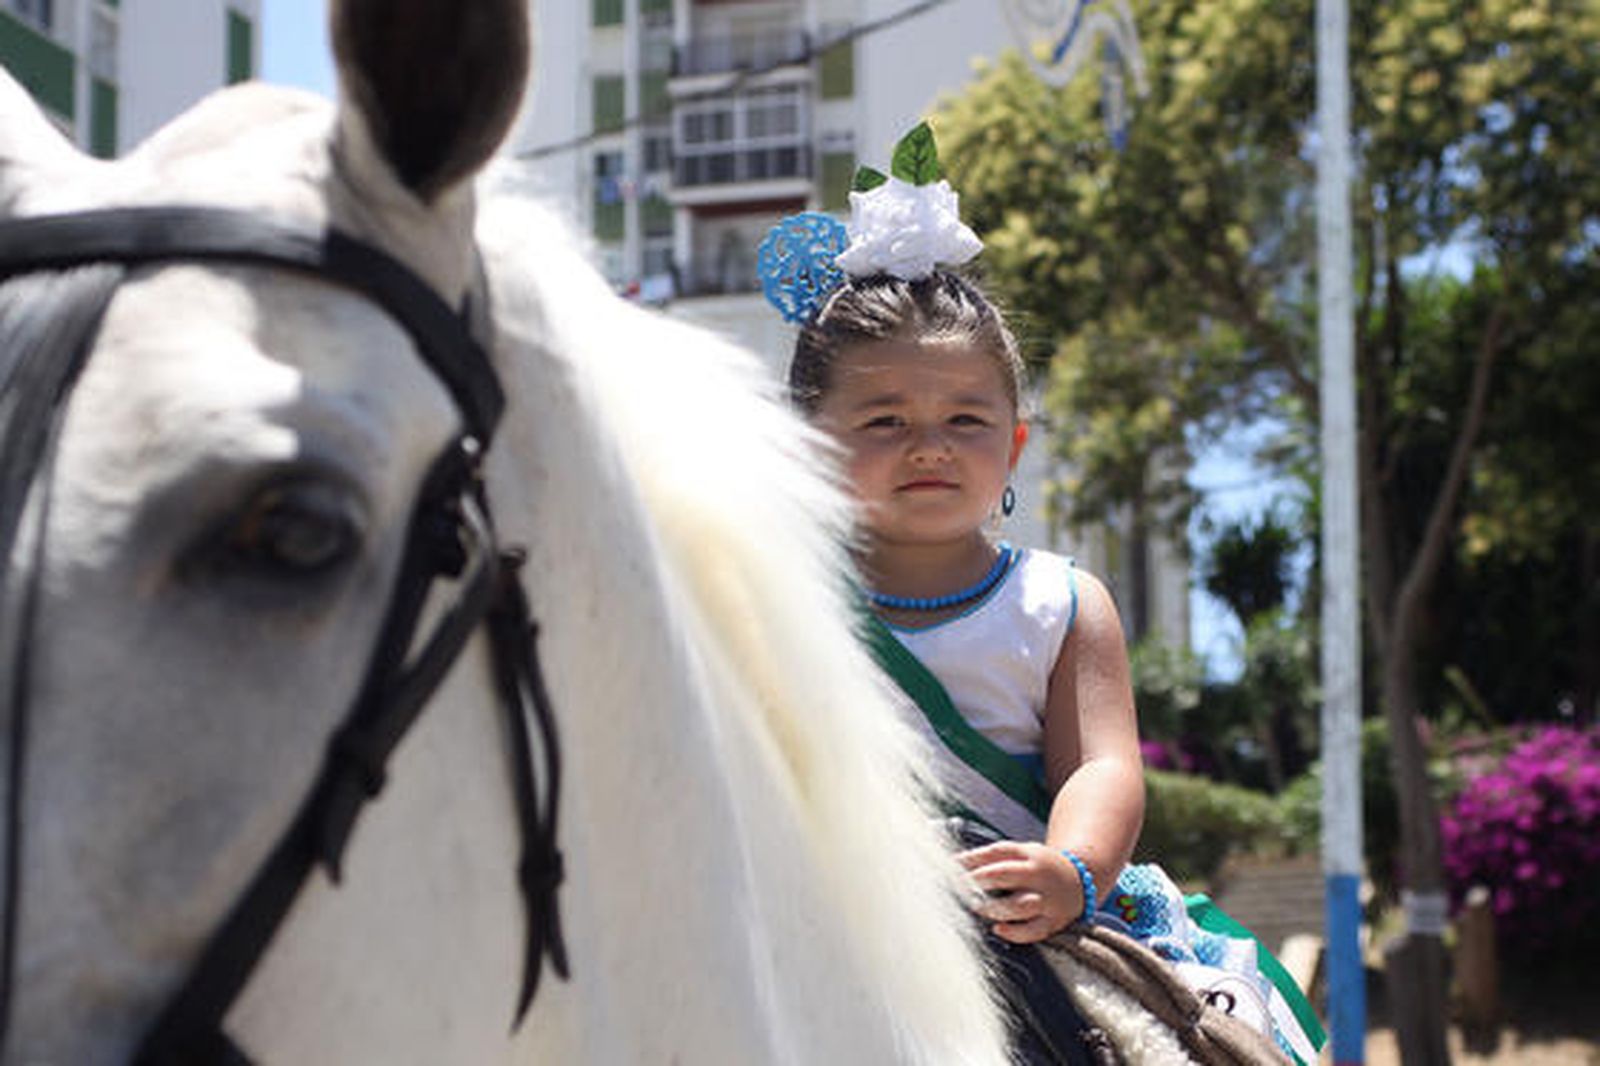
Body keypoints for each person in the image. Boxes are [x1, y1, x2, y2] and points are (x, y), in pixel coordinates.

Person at [759, 123, 1325, 1066]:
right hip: (826, 915)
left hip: (1029, 913)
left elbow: (1101, 769)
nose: (928, 444)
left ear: (1015, 446)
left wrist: (1069, 870)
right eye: (884, 420)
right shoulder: (781, 600)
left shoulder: (1062, 602)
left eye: (964, 419)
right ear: (812, 442)